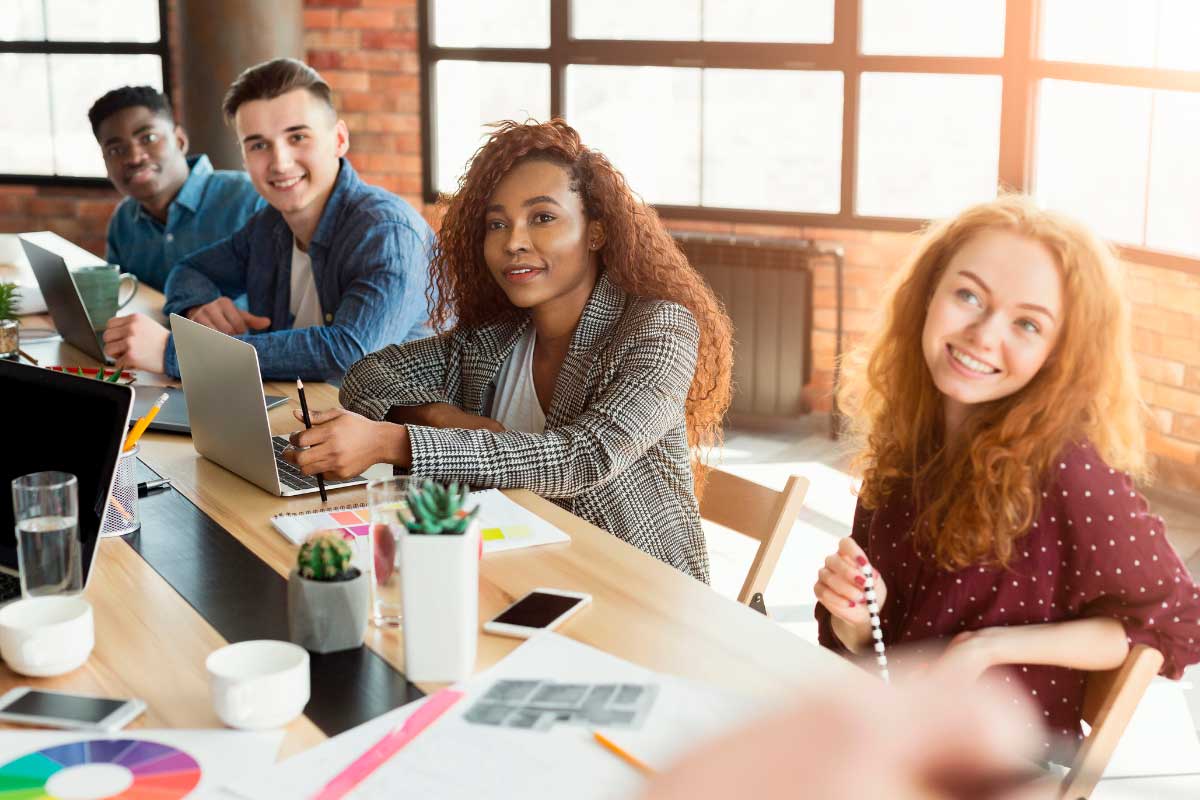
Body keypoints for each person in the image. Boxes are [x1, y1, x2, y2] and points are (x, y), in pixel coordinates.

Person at [813, 195, 1200, 756]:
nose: (984, 335)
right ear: (927, 296)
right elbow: (882, 644)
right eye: (967, 295)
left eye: (1026, 323)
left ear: (1058, 354)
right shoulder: (908, 439)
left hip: (998, 767)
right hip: (893, 735)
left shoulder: (1069, 471)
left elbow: (1179, 623)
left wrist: (985, 648)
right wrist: (855, 616)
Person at [283, 119, 733, 582]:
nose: (513, 242)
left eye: (542, 218)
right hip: (518, 568)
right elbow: (368, 376)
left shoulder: (658, 327)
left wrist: (396, 442)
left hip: (637, 588)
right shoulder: (500, 333)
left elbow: (586, 456)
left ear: (596, 232)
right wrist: (440, 418)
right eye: (497, 224)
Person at [102, 58, 434, 381]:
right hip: (300, 414)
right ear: (244, 157)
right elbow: (189, 271)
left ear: (339, 140)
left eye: (298, 137)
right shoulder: (270, 225)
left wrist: (177, 353)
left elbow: (347, 351)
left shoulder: (387, 231)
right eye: (259, 144)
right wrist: (198, 307)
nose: (280, 162)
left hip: (401, 428)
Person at [89, 86, 265, 291]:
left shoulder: (249, 199)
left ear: (180, 141)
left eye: (148, 138)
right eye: (116, 150)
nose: (134, 158)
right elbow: (121, 298)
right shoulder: (124, 220)